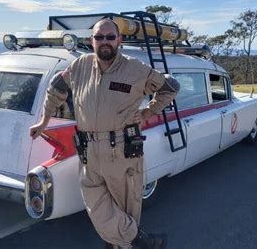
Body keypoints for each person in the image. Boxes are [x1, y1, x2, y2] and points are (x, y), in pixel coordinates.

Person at [30, 18, 179, 249]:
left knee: (124, 207)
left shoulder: (136, 69)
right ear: (92, 41)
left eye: (110, 37)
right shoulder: (80, 66)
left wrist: (150, 111)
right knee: (96, 206)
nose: (105, 42)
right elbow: (56, 89)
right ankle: (142, 241)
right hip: (88, 152)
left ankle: (121, 244)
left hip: (122, 150)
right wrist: (44, 121)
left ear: (119, 40)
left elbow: (170, 87)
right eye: (99, 37)